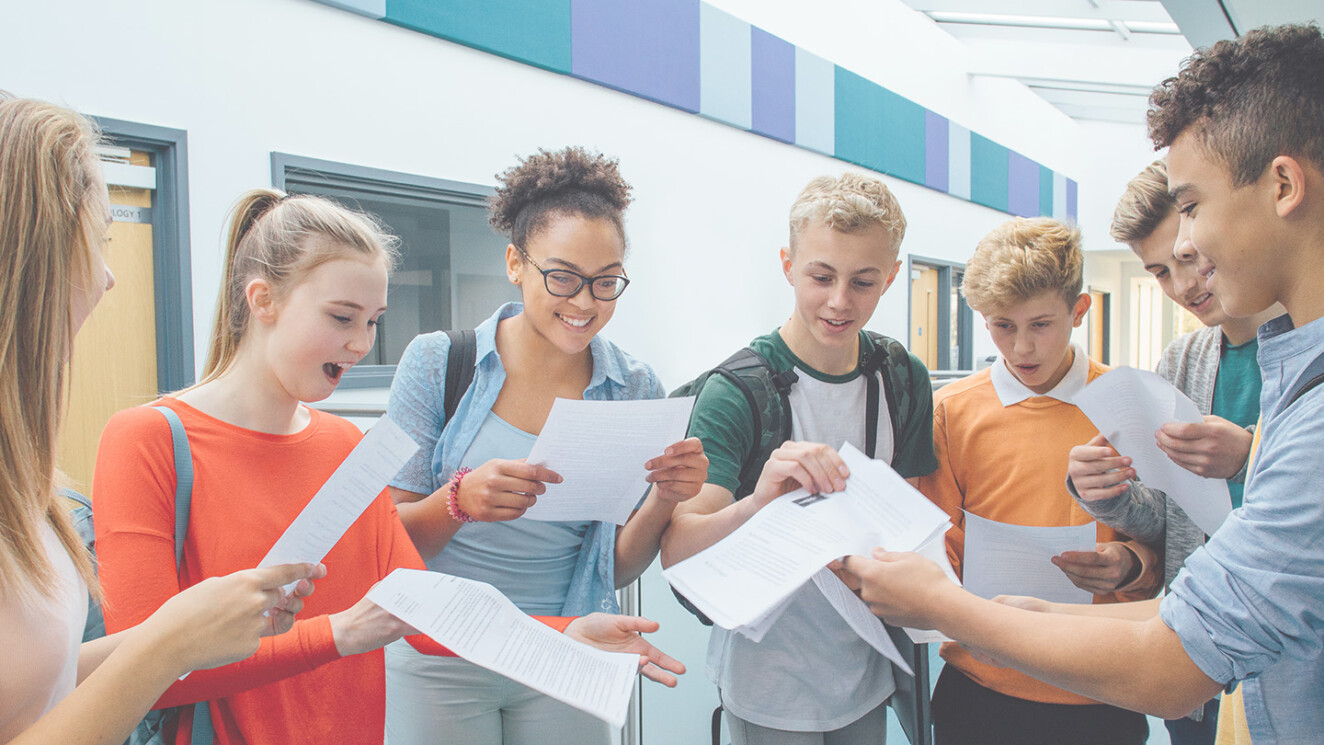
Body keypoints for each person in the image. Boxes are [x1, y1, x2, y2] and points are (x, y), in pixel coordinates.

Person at [842, 23, 1324, 744]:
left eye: (1191, 206)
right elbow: (1197, 600)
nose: (1186, 248)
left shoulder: (1303, 411)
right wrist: (1027, 612)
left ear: (1283, 184)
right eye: (1001, 327)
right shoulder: (1292, 379)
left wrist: (953, 609)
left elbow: (1175, 659)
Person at [94, 186, 684, 745]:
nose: (361, 345)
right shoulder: (149, 439)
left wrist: (565, 634)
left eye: (373, 321)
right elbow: (139, 671)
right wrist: (339, 634)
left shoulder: (345, 444)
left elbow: (423, 614)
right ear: (262, 299)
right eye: (342, 317)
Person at [0, 94, 325, 745]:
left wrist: (184, 632)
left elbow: (41, 682)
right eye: (101, 240)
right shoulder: (148, 433)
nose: (110, 275)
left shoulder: (28, 482)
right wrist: (171, 641)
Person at [383, 146, 706, 745]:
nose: (584, 303)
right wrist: (459, 500)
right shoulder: (439, 361)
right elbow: (386, 542)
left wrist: (664, 499)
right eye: (563, 277)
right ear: (515, 262)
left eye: (606, 282)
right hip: (438, 652)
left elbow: (618, 563)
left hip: (567, 647)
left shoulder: (635, 386)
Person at [660, 173, 937, 745]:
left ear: (889, 276)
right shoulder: (736, 392)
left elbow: (914, 518)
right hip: (768, 684)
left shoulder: (901, 377)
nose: (840, 301)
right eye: (821, 276)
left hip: (869, 673)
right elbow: (678, 550)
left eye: (863, 281)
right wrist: (759, 502)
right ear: (787, 265)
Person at [914, 216, 1159, 745]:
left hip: (1102, 688)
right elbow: (934, 551)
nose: (1021, 347)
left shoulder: (1131, 405)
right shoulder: (950, 414)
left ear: (1079, 310)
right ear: (982, 319)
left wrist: (1131, 566)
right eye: (1003, 325)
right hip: (981, 689)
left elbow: (1171, 546)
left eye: (1041, 324)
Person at [1065, 159, 1279, 745]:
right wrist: (1105, 495)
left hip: (1285, 661)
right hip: (1196, 657)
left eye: (1187, 259)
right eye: (1159, 272)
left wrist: (1250, 454)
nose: (1183, 287)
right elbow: (1170, 521)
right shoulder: (1181, 363)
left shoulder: (1303, 353)